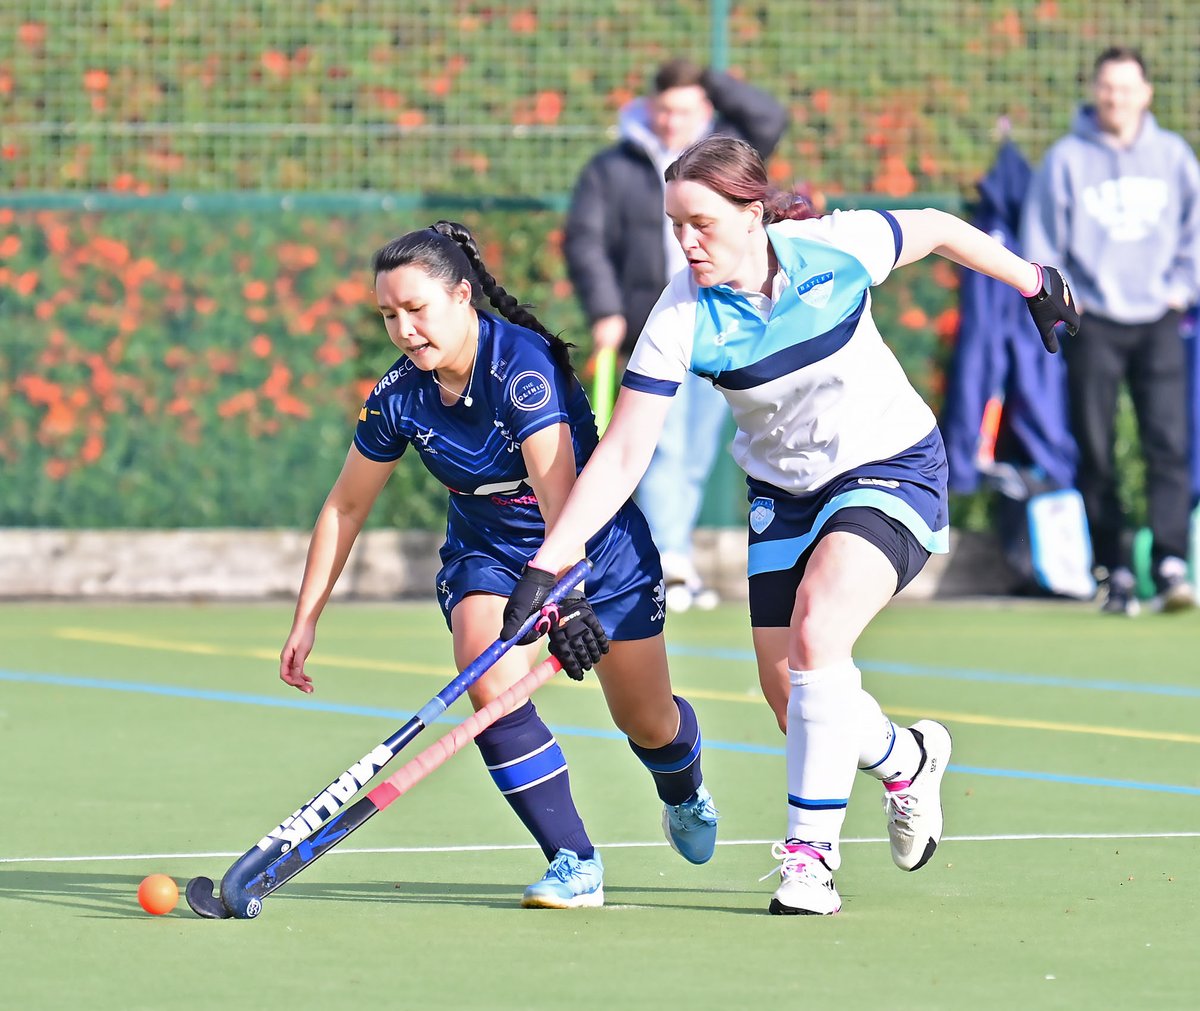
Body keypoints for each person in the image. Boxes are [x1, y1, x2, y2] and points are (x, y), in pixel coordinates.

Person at [502, 135, 1078, 915]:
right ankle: (905, 760)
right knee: (794, 697)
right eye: (676, 225)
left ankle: (810, 860)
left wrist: (1033, 280)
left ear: (752, 213)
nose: (687, 242)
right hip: (784, 494)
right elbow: (629, 447)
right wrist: (551, 561)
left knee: (817, 635)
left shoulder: (835, 248)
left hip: (891, 465)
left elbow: (940, 226)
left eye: (701, 223)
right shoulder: (681, 313)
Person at [278, 220, 719, 910]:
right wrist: (306, 618)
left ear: (461, 295)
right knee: (487, 678)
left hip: (592, 545)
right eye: (388, 314)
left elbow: (561, 503)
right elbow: (346, 505)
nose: (403, 329)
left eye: (416, 309)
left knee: (648, 720)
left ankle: (684, 788)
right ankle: (573, 860)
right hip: (487, 553)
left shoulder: (521, 369)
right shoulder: (398, 396)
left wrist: (568, 598)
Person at [564, 58, 789, 611]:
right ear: (648, 108)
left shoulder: (729, 161)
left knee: (693, 452)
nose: (671, 121)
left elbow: (772, 118)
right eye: (663, 109)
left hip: (722, 326)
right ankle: (667, 559)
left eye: (685, 109)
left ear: (706, 108)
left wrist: (710, 79)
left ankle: (675, 554)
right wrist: (607, 311)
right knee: (659, 447)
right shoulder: (612, 167)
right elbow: (585, 241)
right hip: (652, 326)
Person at [1022, 46, 1200, 616]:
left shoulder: (1173, 157)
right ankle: (1114, 569)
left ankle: (1171, 564)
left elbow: (1194, 232)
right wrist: (1068, 302)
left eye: (1126, 88)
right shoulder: (1067, 159)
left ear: (1146, 93)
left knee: (1167, 443)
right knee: (1095, 447)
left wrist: (1179, 288)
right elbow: (1043, 242)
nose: (1115, 98)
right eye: (1106, 87)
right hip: (1094, 320)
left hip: (1157, 318)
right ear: (1095, 92)